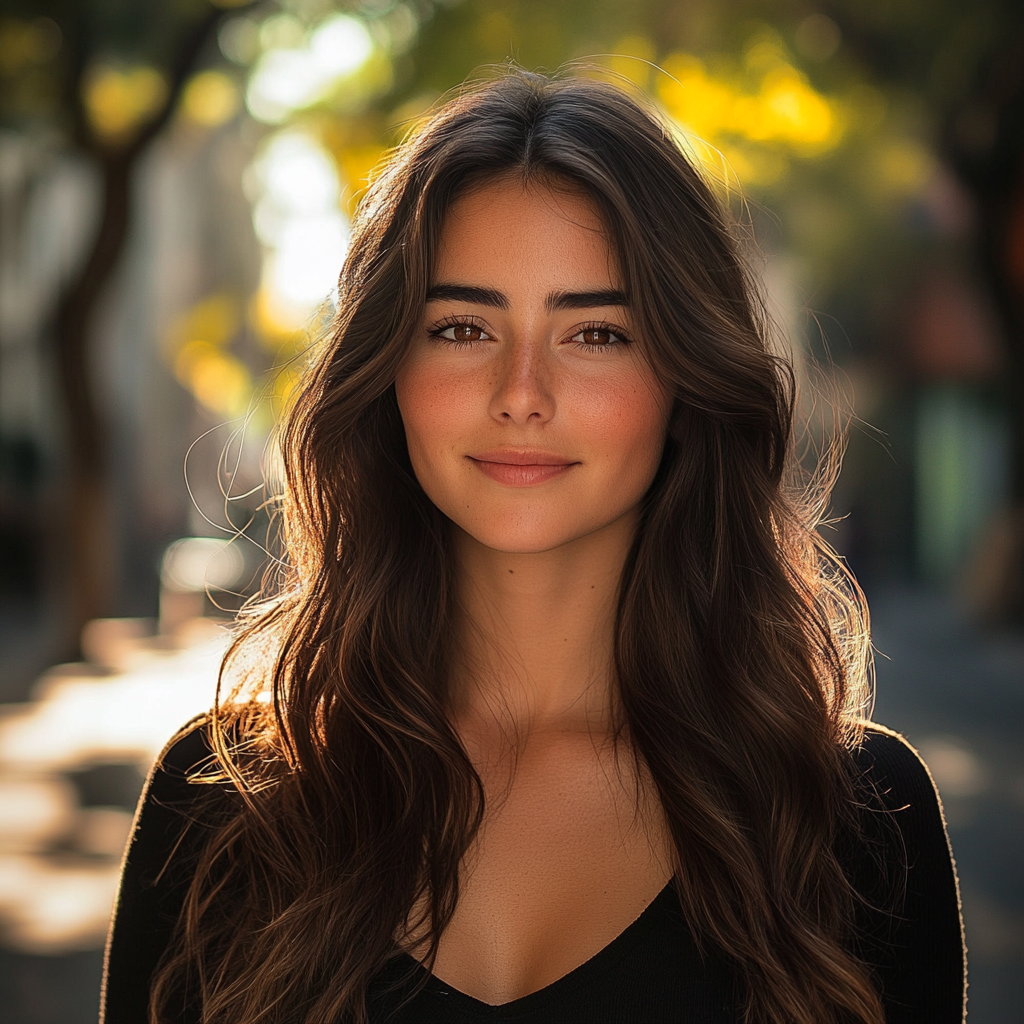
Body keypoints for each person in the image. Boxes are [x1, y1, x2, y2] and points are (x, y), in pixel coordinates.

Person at [102, 70, 966, 1024]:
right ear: (390, 372)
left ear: (685, 379)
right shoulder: (221, 804)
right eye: (464, 327)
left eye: (595, 332)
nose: (522, 392)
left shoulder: (857, 825)